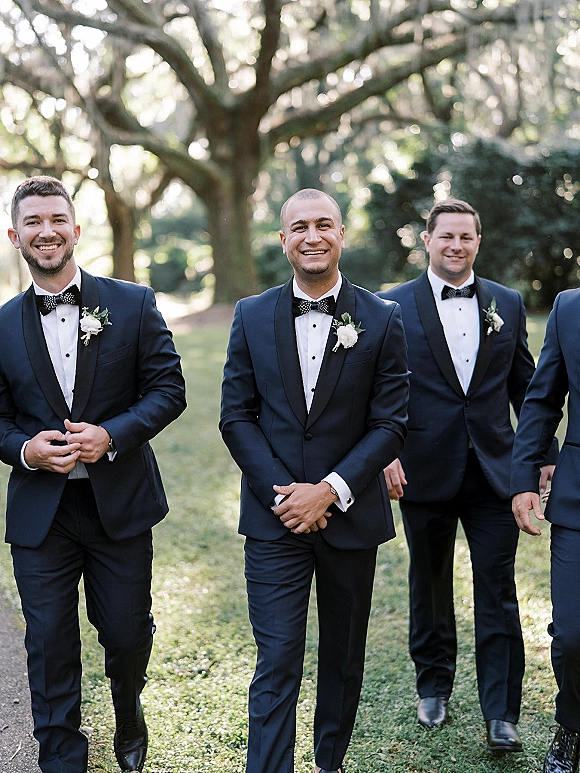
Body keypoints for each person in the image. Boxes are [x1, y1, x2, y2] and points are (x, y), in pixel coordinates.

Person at [0, 176, 186, 773]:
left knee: (127, 632)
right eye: (32, 222)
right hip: (42, 515)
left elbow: (168, 389)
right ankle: (61, 758)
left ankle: (129, 714)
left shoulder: (132, 303)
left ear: (76, 229)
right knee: (49, 641)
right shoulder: (0, 325)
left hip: (120, 504)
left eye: (56, 219)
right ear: (14, 236)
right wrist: (25, 451)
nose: (46, 231)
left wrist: (113, 435)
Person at [219, 188, 409, 773]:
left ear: (341, 234)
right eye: (299, 226)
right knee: (277, 658)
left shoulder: (381, 318)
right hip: (274, 519)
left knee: (344, 656)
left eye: (324, 224)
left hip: (350, 516)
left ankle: (330, 762)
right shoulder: (251, 314)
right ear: (283, 240)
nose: (312, 236)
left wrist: (328, 490)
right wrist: (287, 495)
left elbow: (391, 424)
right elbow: (236, 416)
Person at [378, 198, 555, 752]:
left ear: (478, 242)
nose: (456, 246)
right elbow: (378, 391)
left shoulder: (506, 301)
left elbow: (526, 387)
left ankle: (501, 713)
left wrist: (543, 452)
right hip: (421, 470)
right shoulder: (392, 306)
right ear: (426, 241)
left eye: (467, 238)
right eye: (446, 236)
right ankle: (433, 685)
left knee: (498, 589)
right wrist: (383, 452)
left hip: (495, 471)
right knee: (428, 583)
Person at [511, 288, 580, 773]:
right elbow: (541, 400)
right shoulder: (570, 308)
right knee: (573, 634)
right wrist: (524, 479)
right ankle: (572, 725)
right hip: (579, 501)